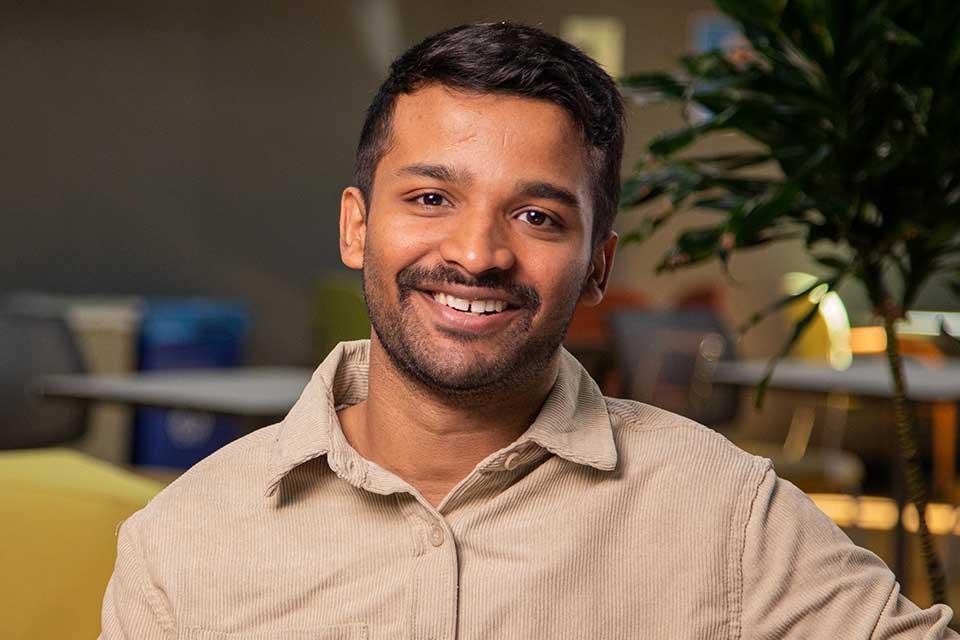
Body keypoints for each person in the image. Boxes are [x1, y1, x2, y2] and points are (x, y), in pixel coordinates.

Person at [100, 22, 958, 639]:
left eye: (539, 216)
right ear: (357, 226)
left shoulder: (723, 513)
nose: (477, 254)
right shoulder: (182, 543)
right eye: (431, 198)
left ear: (596, 264)